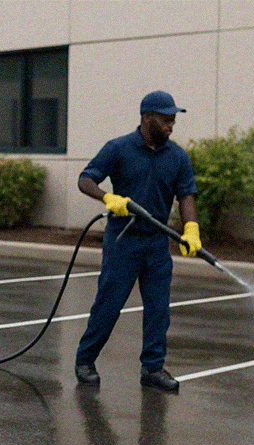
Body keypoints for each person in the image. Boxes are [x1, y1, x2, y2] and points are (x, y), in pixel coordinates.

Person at [74, 90, 202, 393]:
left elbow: (186, 195)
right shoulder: (119, 148)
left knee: (158, 308)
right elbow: (85, 179)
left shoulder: (177, 156)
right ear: (148, 118)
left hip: (157, 243)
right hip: (124, 241)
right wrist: (108, 197)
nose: (171, 125)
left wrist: (191, 229)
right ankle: (85, 361)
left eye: (174, 120)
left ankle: (153, 369)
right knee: (109, 304)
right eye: (166, 119)